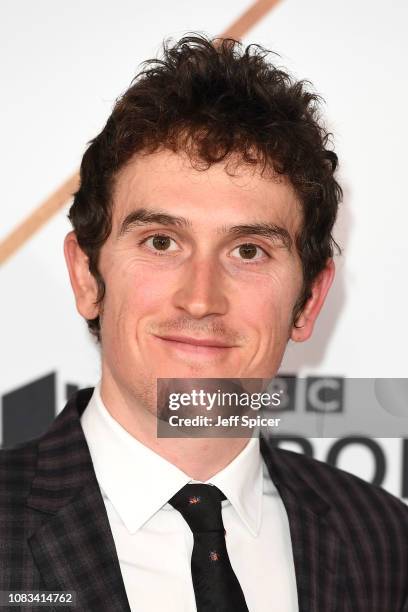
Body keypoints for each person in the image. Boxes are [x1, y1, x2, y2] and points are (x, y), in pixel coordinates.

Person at [1, 34, 407, 612]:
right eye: (161, 242)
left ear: (310, 299)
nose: (200, 300)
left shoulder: (384, 542)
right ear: (88, 276)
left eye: (248, 251)